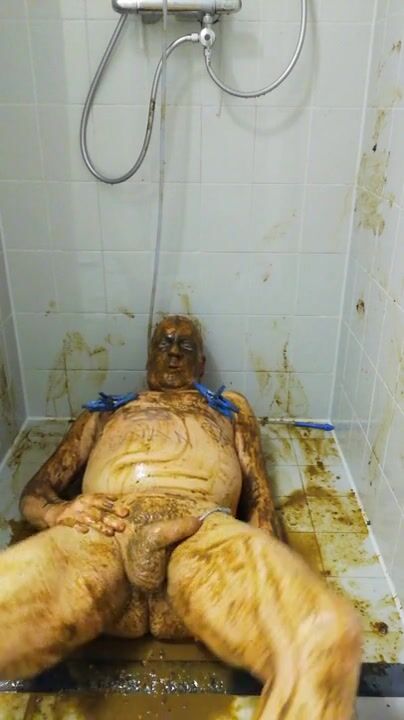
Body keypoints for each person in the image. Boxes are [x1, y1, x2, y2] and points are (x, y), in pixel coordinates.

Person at [0, 315, 361, 719]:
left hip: (202, 532)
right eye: (164, 343)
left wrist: (262, 589)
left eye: (186, 346)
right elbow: (35, 494)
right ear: (148, 358)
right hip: (104, 533)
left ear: (201, 364)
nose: (173, 352)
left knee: (323, 638)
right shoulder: (105, 412)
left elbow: (259, 497)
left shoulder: (228, 409)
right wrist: (60, 511)